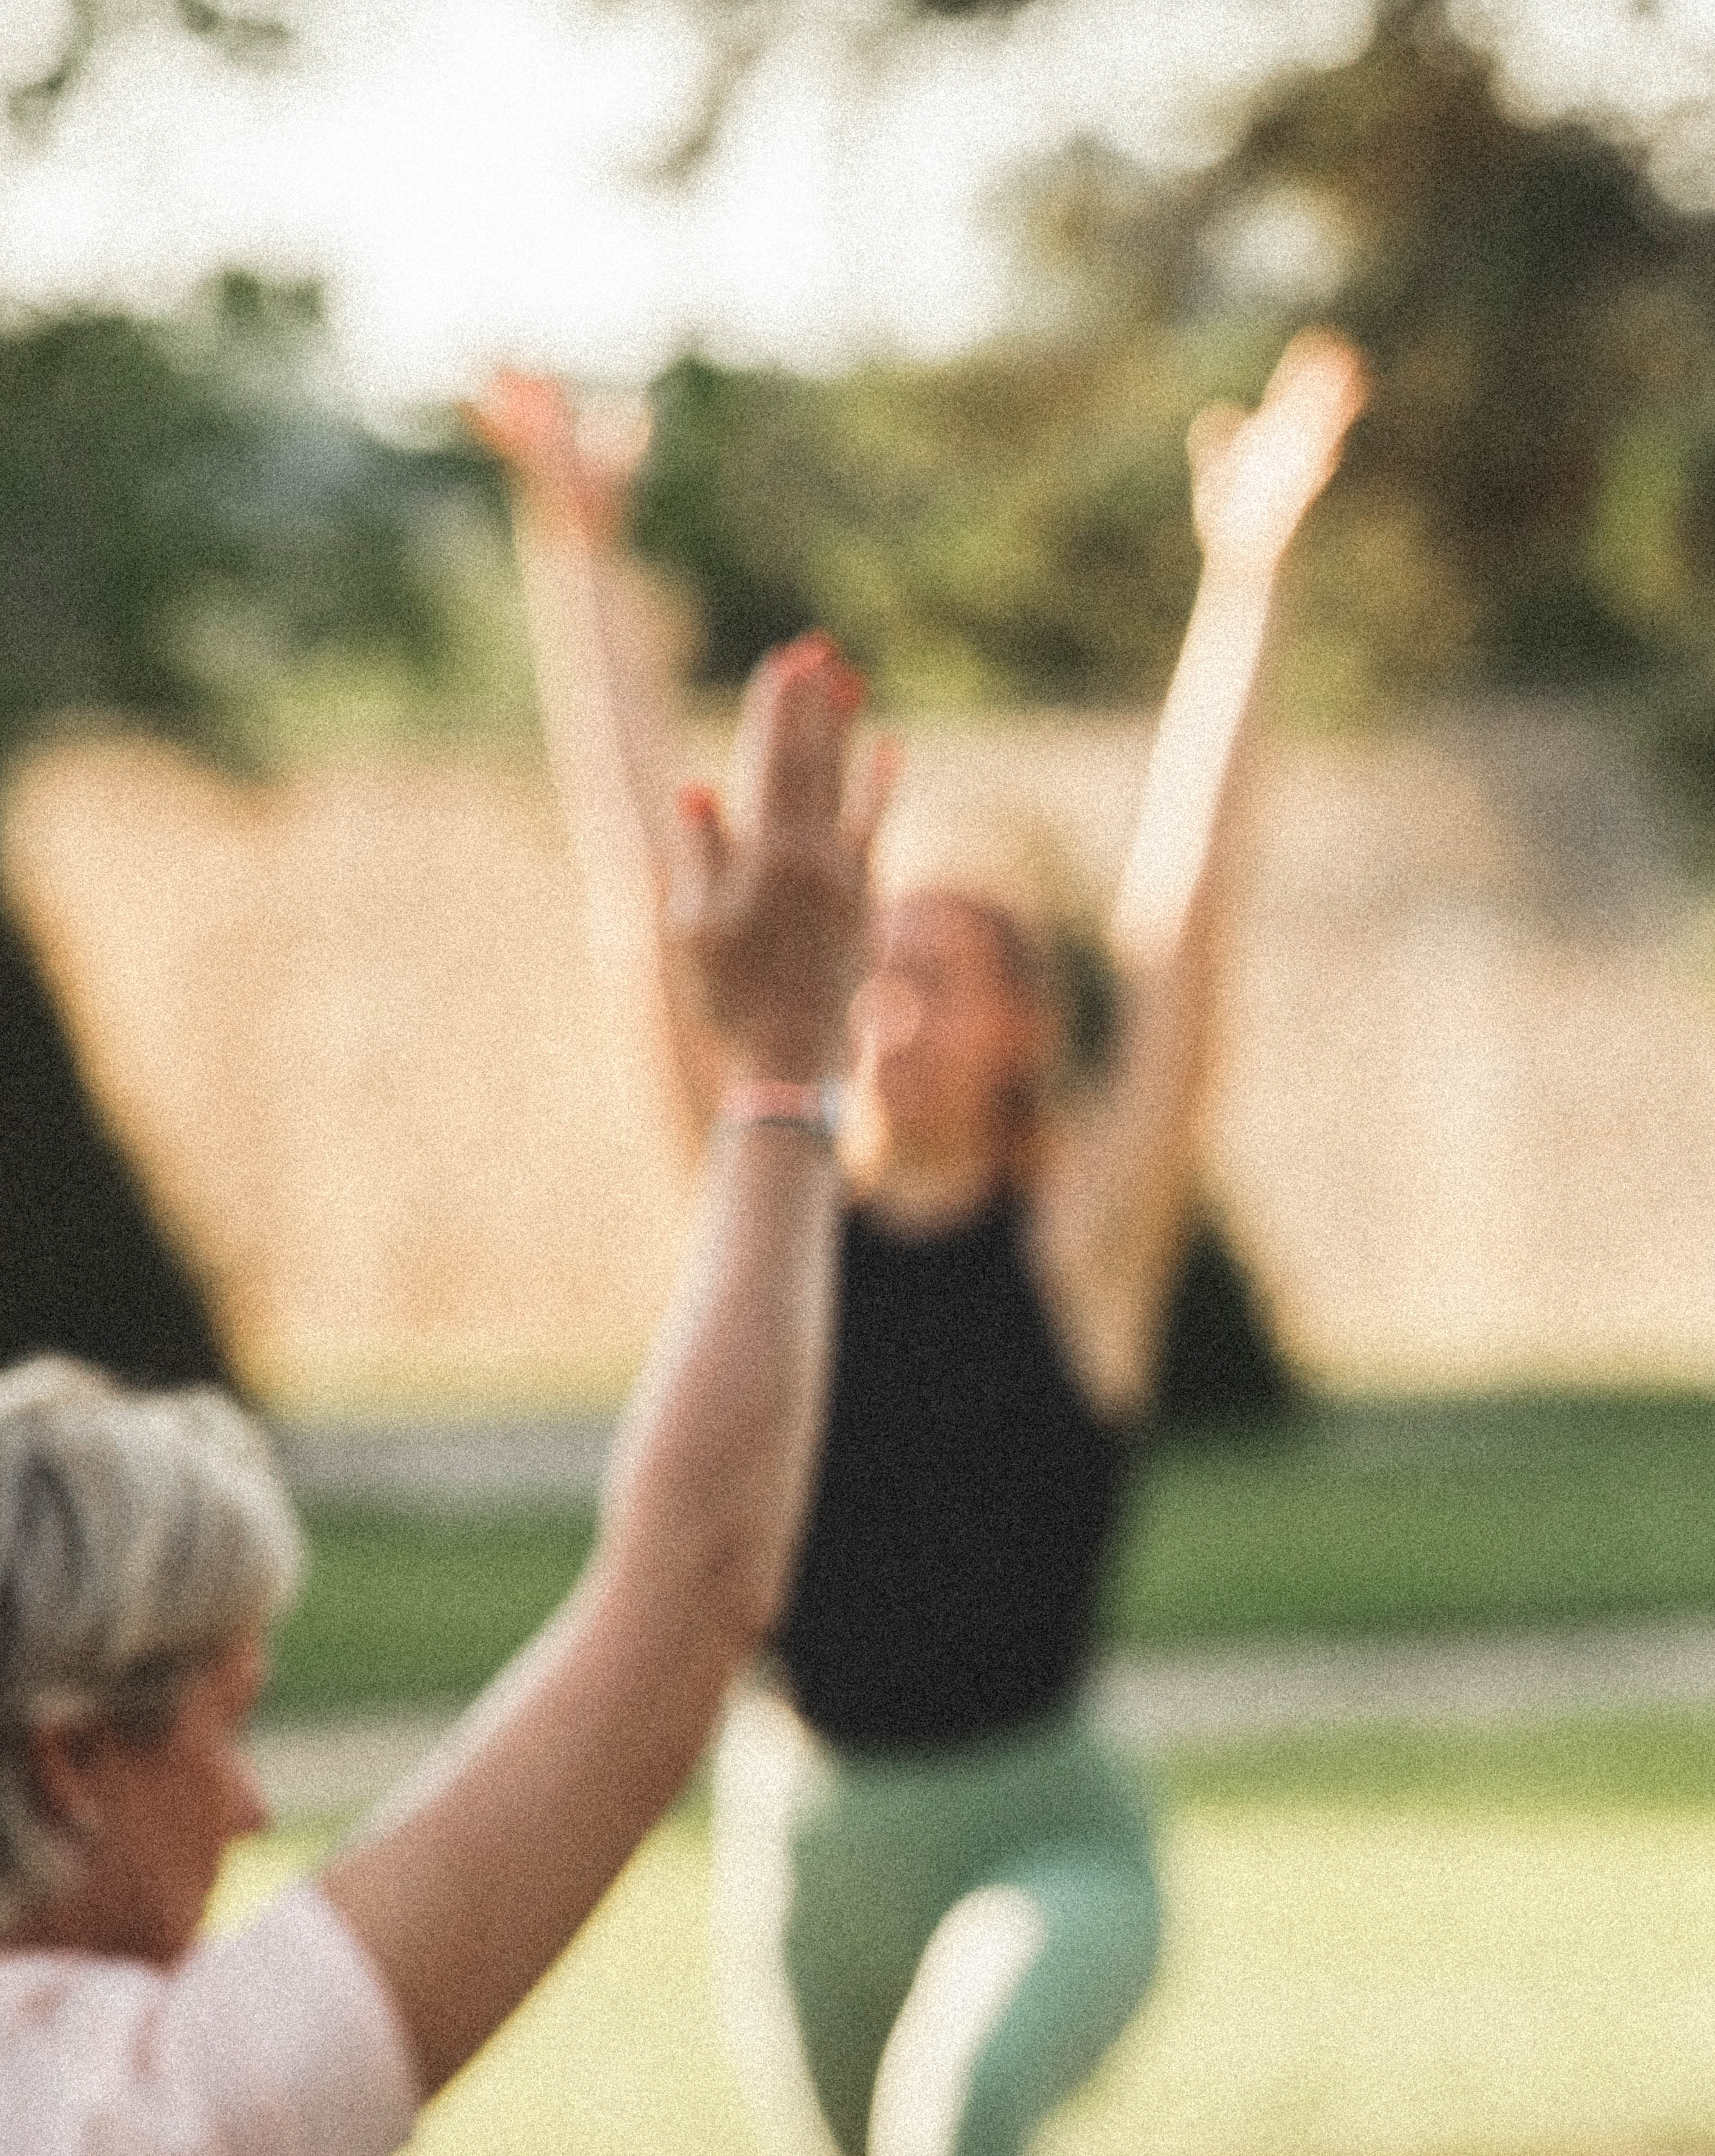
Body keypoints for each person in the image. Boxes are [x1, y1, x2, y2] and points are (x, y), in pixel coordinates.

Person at [0, 634, 890, 2156]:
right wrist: (788, 1060)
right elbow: (688, 1588)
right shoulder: (176, 2100)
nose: (251, 1806)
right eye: (224, 1724)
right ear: (71, 1762)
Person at [476, 328, 1365, 2156]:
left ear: (1029, 1025)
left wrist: (1250, 572)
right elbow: (647, 903)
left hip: (1047, 1829)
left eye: (943, 974)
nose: (893, 1004)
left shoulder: (1084, 1250)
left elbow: (1186, 922)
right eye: (877, 963)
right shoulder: (763, 1210)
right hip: (806, 1849)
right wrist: (575, 556)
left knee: (954, 2123)